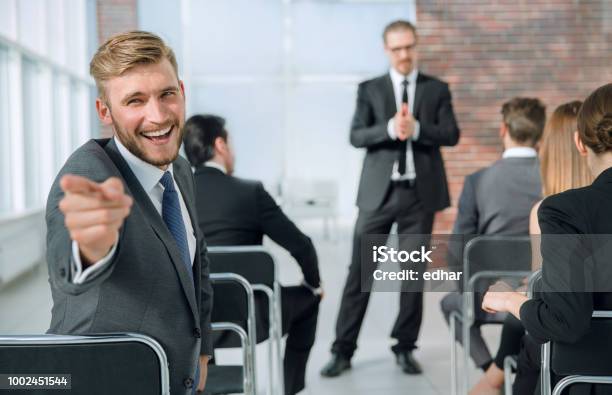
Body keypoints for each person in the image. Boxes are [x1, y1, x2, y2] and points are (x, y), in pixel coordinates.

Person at [46, 31, 212, 395]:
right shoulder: (88, 175)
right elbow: (70, 270)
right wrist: (90, 248)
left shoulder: (179, 169)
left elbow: (197, 265)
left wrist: (203, 353)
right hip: (101, 379)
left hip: (170, 378)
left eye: (166, 94)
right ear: (105, 111)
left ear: (182, 91)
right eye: (135, 101)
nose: (158, 116)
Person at [321, 19, 460, 377]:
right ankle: (343, 350)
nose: (403, 54)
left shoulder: (436, 89)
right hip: (378, 195)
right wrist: (388, 129)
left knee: (412, 275)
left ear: (416, 46)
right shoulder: (370, 89)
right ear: (386, 50)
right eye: (396, 48)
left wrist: (417, 129)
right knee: (360, 273)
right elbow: (356, 135)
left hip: (419, 195)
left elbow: (451, 134)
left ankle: (404, 347)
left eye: (409, 47)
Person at [482, 83, 612, 395]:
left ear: (580, 143)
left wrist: (508, 299)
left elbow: (565, 321)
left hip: (591, 377)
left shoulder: (564, 211)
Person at [182, 114, 322, 395]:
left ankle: (208, 385)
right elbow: (301, 245)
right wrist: (314, 283)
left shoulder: (177, 196)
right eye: (231, 143)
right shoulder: (250, 192)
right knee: (310, 300)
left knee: (202, 290)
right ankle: (290, 388)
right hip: (251, 319)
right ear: (220, 145)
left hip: (192, 323)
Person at [440, 97, 545, 373]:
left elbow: (458, 249)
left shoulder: (478, 181)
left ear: (503, 130)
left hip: (492, 295)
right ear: (540, 133)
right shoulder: (553, 177)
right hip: (540, 295)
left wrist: (469, 288)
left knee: (451, 304)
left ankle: (491, 373)